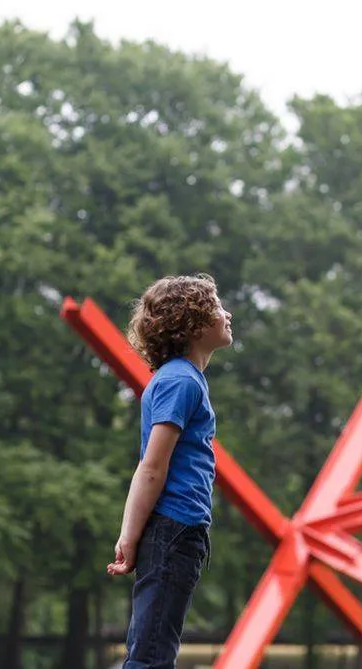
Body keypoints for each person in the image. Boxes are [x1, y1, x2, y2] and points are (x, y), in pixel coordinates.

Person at [108, 273, 233, 669]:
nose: (226, 313)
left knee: (156, 648)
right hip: (171, 529)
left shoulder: (187, 380)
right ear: (191, 324)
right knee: (151, 655)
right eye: (215, 307)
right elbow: (151, 467)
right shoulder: (180, 381)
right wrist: (129, 536)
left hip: (180, 530)